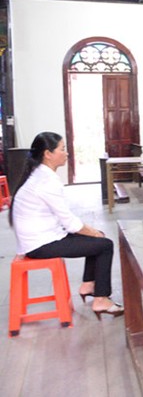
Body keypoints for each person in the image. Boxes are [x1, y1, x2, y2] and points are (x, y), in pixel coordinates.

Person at [10, 132, 123, 319]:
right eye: (62, 149)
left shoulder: (39, 174)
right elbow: (70, 223)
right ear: (48, 154)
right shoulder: (47, 181)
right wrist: (93, 232)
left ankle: (89, 284)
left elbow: (66, 220)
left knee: (95, 237)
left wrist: (92, 232)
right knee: (105, 244)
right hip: (40, 244)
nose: (66, 153)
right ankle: (101, 299)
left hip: (38, 238)